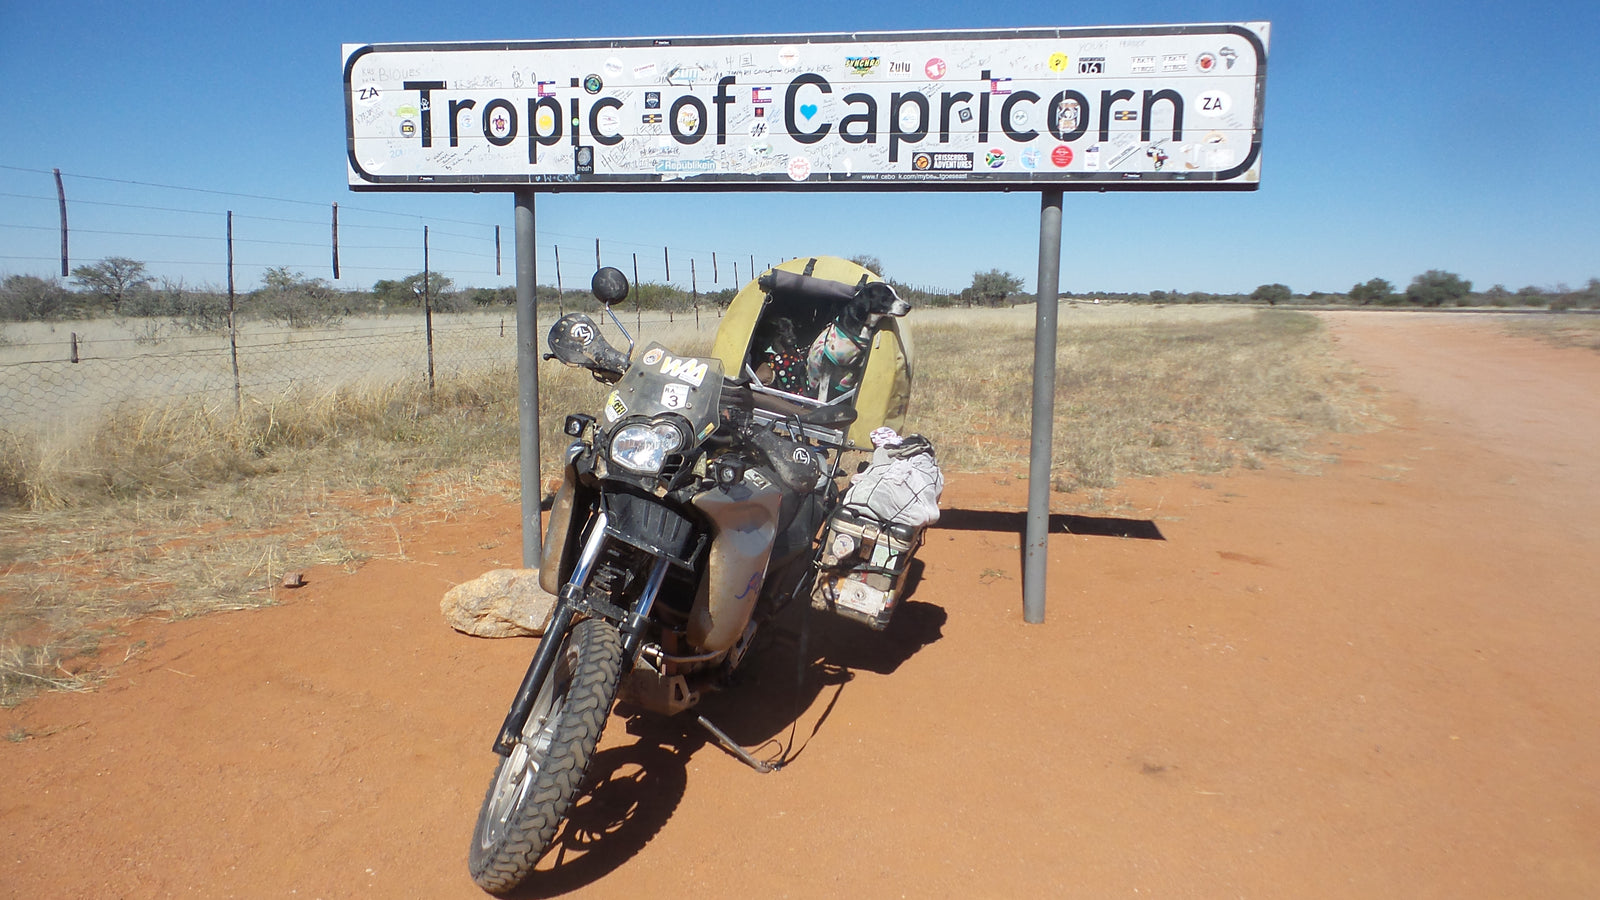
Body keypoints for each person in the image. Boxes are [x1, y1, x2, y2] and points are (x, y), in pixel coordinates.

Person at [751, 316, 808, 395]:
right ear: (776, 332)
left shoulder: (794, 355)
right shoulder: (767, 356)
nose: (792, 335)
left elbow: (803, 377)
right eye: (785, 330)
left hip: (799, 394)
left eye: (791, 330)